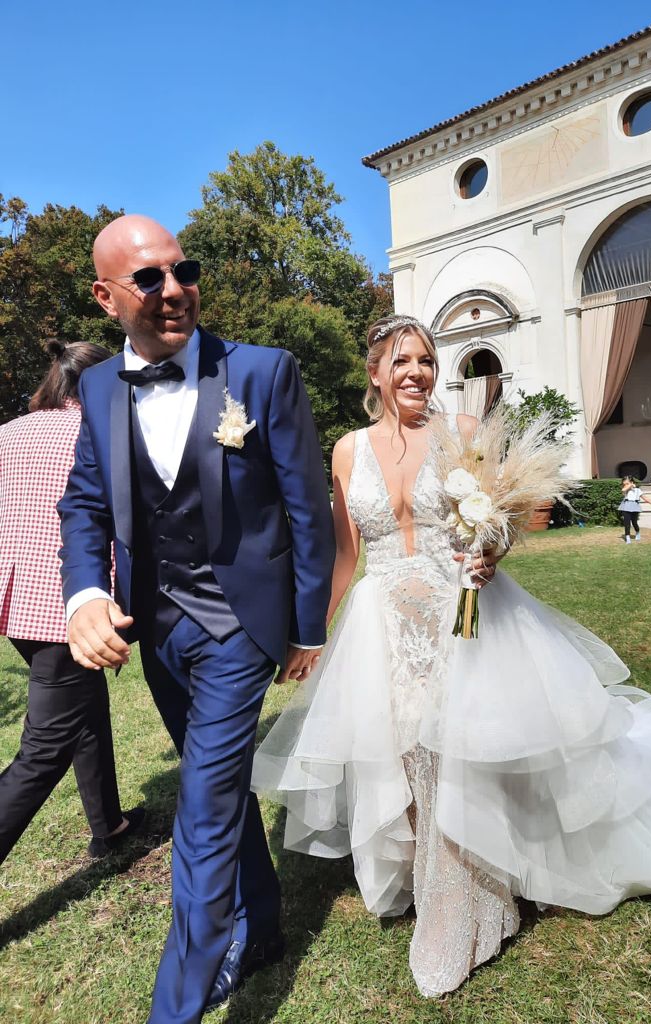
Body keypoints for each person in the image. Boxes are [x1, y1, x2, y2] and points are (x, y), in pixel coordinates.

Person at [252, 314, 651, 998]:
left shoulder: (462, 433)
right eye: (401, 361)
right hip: (383, 624)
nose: (416, 372)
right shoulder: (347, 450)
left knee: (454, 749)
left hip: (461, 612)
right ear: (374, 373)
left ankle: (470, 900)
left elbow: (497, 524)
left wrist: (491, 552)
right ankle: (426, 874)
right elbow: (347, 553)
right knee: (405, 750)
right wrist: (314, 634)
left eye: (426, 360)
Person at [57, 216, 335, 1024]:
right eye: (149, 279)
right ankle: (264, 925)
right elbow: (84, 503)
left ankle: (174, 1007)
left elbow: (305, 508)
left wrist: (306, 626)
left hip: (240, 625)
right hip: (159, 632)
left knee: (203, 811)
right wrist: (85, 594)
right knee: (223, 786)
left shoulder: (262, 371)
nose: (175, 289)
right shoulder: (99, 388)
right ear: (106, 296)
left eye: (185, 271)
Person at [0, 339, 143, 865]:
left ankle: (109, 825)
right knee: (43, 751)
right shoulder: (101, 430)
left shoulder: (9, 433)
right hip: (69, 605)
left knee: (86, 706)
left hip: (15, 604)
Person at [617, 475, 651, 543]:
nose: (625, 485)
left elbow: (645, 498)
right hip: (626, 506)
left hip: (635, 506)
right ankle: (627, 537)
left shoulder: (638, 490)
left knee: (634, 522)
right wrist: (630, 485)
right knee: (627, 523)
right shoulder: (625, 489)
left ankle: (637, 532)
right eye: (624, 484)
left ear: (632, 482)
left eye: (627, 483)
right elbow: (623, 490)